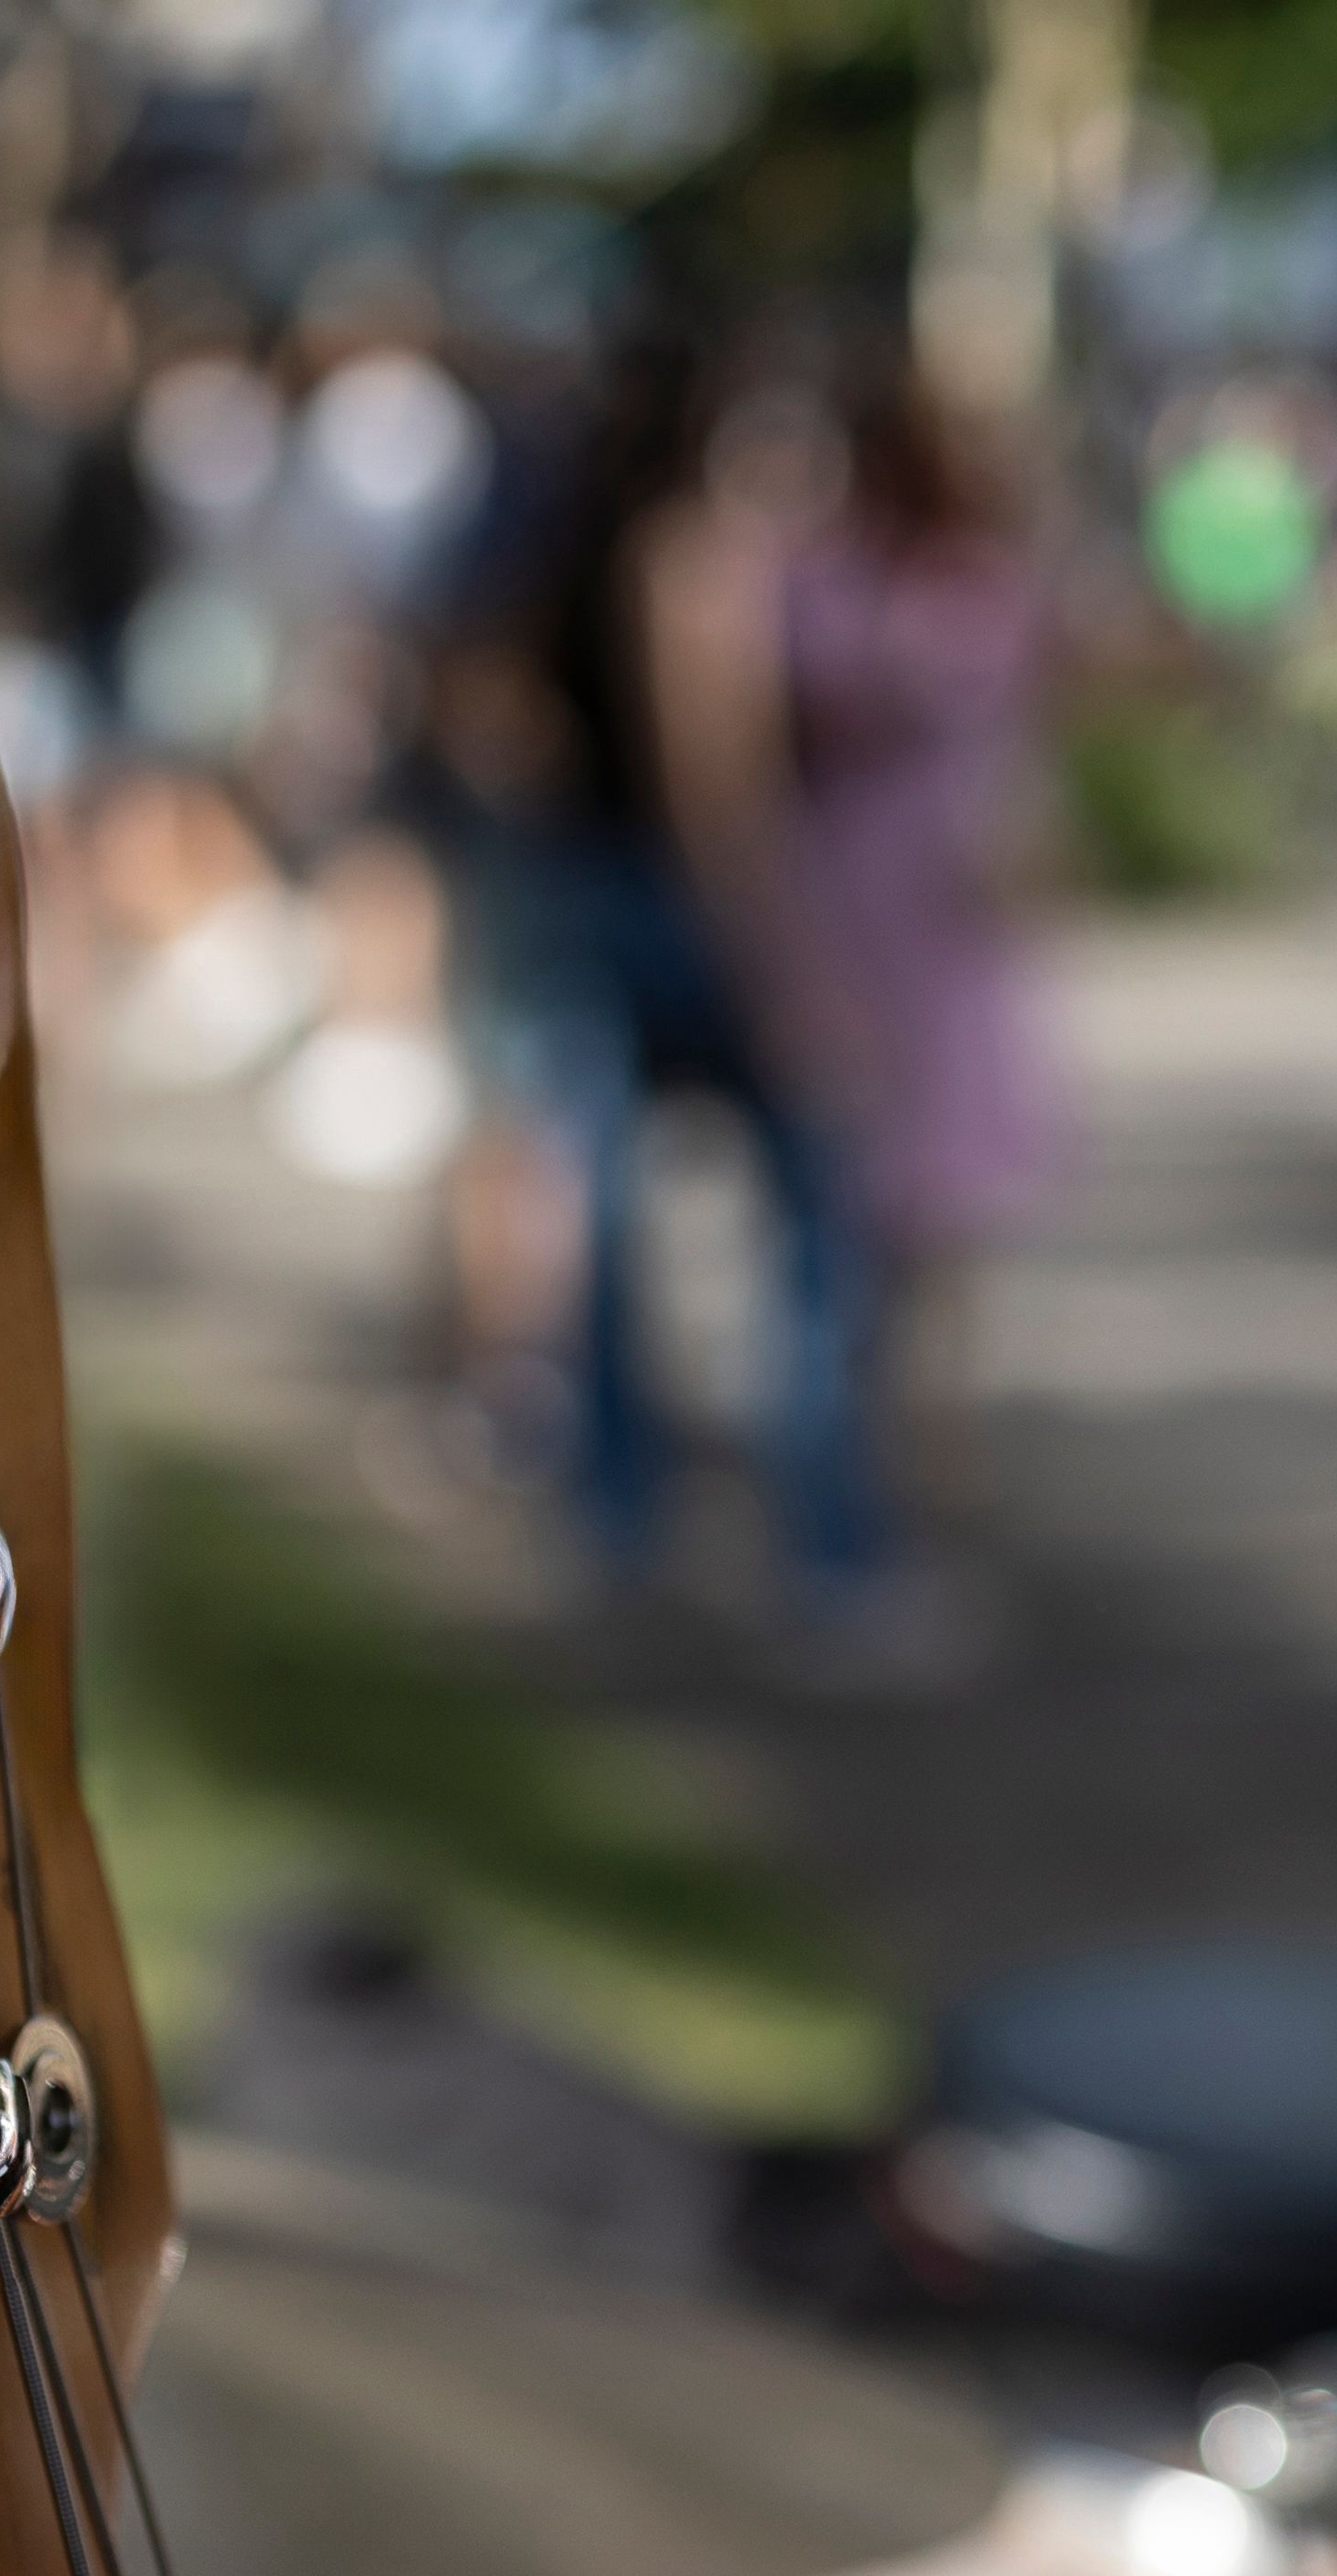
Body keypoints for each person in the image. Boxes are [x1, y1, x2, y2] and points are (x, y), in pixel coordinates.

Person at [404, 339, 896, 1645]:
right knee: (800, 1218)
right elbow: (718, 788)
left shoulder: (568, 536)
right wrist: (791, 969)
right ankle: (826, 1536)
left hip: (580, 892)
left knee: (609, 1218)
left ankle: (620, 1519)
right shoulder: (692, 553)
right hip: (681, 911)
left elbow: (486, 695)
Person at [766, 360, 1058, 1554]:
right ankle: (861, 1418)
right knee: (863, 1154)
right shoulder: (830, 577)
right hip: (864, 886)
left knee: (945, 1175)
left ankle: (928, 1415)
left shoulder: (976, 575)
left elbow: (1025, 709)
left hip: (950, 894)